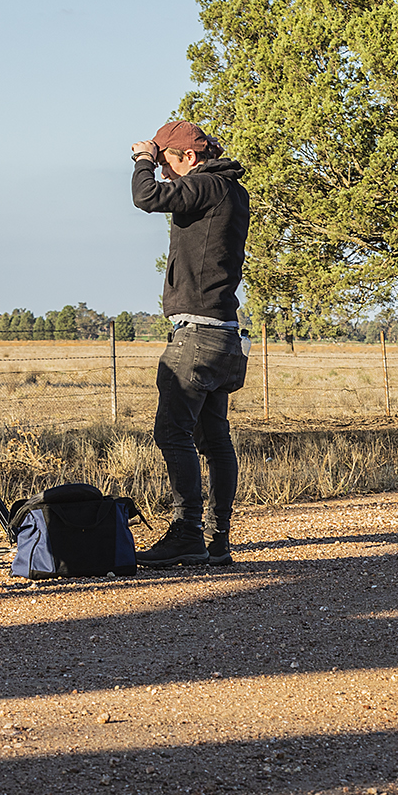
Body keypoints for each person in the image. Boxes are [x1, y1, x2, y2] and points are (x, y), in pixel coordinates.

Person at [129, 121, 252, 567]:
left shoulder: (207, 186)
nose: (162, 173)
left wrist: (141, 159)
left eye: (166, 163)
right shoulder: (230, 191)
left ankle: (187, 531)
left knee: (172, 432)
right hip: (223, 332)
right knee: (214, 436)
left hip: (197, 334)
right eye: (158, 164)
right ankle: (218, 537)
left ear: (190, 158)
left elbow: (146, 198)